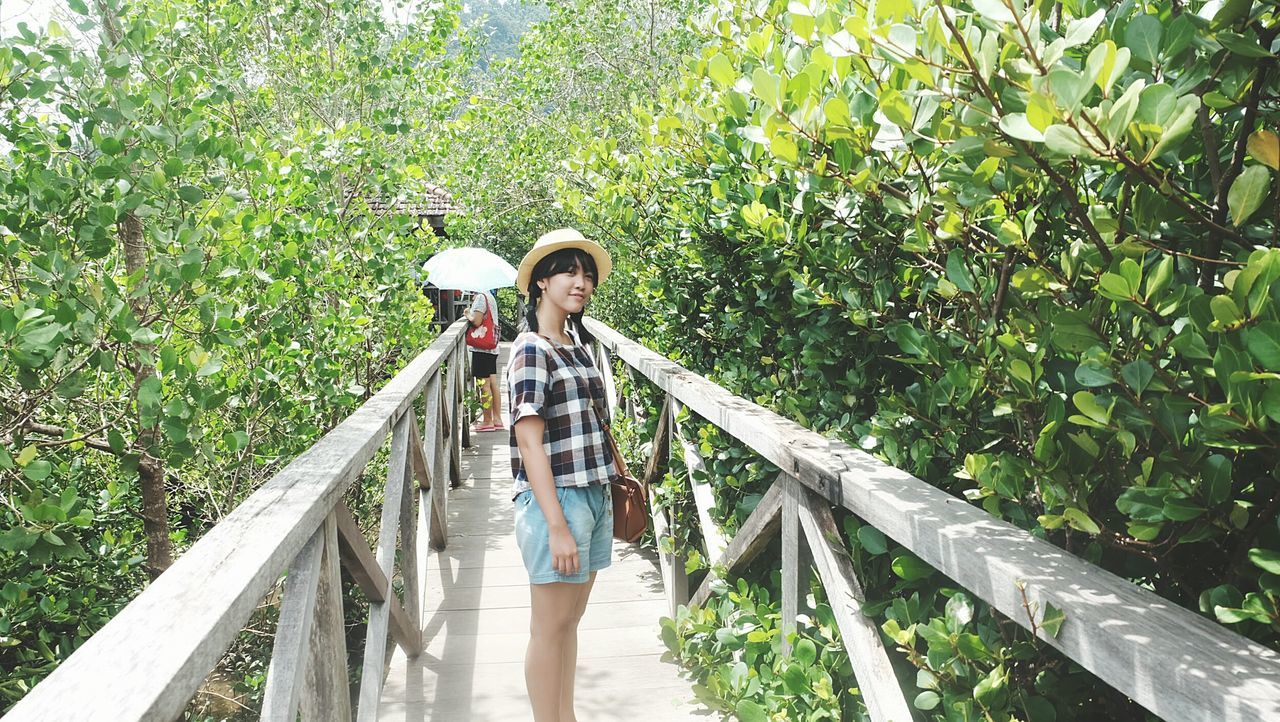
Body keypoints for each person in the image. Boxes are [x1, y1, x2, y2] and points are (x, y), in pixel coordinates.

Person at [507, 228, 616, 722]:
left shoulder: (575, 343)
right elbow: (529, 441)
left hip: (593, 493)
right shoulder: (531, 349)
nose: (582, 282)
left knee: (569, 623)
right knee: (548, 628)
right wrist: (555, 525)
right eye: (569, 272)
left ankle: (564, 715)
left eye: (587, 274)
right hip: (559, 501)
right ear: (541, 282)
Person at [465, 288, 503, 431]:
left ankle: (487, 421)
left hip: (482, 347)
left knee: (484, 384)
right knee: (493, 383)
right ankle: (497, 419)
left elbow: (477, 321)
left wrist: (468, 314)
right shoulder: (490, 296)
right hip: (492, 347)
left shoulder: (481, 297)